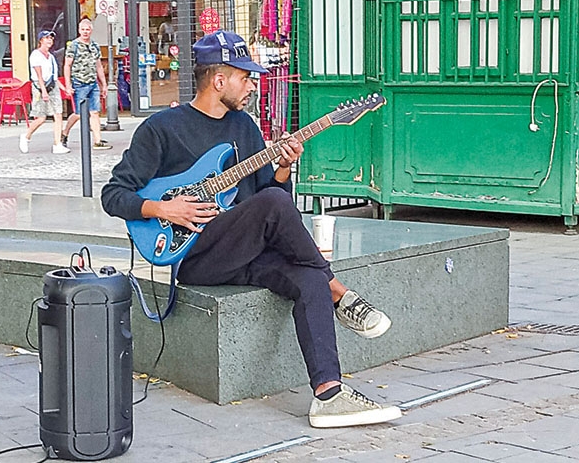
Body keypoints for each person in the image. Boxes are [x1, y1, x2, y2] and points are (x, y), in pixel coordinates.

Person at [101, 31, 401, 429]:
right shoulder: (161, 128)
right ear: (218, 80)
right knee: (279, 212)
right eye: (245, 78)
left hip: (245, 250)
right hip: (196, 256)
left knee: (308, 277)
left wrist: (283, 167)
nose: (253, 86)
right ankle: (339, 292)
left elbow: (270, 200)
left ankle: (329, 394)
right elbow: (112, 195)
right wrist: (164, 208)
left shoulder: (244, 127)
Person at [60, 16, 111, 150]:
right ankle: (64, 133)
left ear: (91, 30)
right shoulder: (74, 46)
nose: (85, 32)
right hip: (79, 82)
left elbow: (98, 66)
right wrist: (68, 85)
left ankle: (97, 140)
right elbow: (67, 65)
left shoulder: (94, 46)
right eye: (83, 29)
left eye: (87, 29)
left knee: (94, 112)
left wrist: (104, 84)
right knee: (78, 113)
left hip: (92, 82)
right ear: (79, 30)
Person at [21, 30, 71, 155]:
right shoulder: (36, 55)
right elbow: (38, 75)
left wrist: (64, 88)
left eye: (51, 38)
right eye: (47, 38)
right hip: (40, 86)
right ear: (41, 40)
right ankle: (26, 136)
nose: (49, 40)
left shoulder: (51, 57)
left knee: (58, 114)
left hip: (52, 86)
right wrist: (43, 91)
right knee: (41, 118)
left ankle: (57, 144)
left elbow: (54, 77)